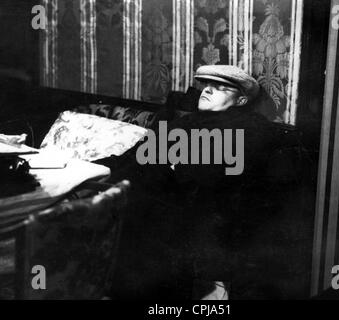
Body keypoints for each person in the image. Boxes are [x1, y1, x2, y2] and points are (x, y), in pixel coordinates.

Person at [110, 65, 277, 300]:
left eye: (219, 88)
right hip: (157, 203)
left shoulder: (252, 127)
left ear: (240, 101)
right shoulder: (184, 124)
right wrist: (93, 168)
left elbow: (205, 176)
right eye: (205, 85)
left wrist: (163, 167)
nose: (207, 90)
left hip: (202, 218)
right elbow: (136, 157)